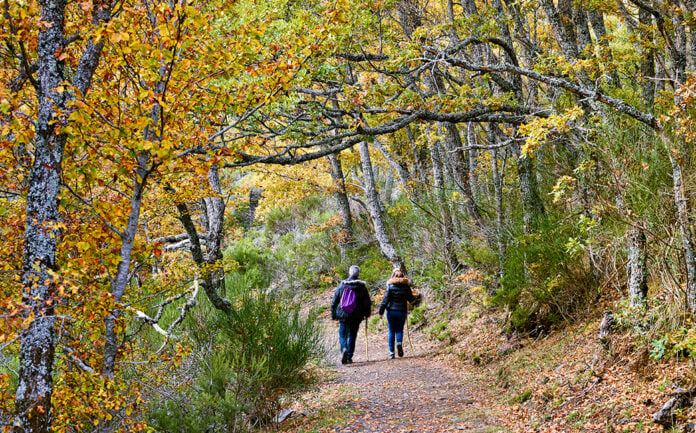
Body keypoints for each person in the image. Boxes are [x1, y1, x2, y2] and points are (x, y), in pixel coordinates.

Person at [331, 265, 372, 364]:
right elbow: (367, 302)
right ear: (358, 275)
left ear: (349, 274)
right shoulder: (362, 287)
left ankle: (344, 348)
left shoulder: (342, 285)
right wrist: (367, 314)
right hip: (356, 316)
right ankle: (349, 357)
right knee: (352, 336)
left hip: (343, 314)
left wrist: (334, 315)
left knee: (342, 335)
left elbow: (334, 301)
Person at [378, 268, 415, 359]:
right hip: (402, 311)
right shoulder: (406, 287)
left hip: (391, 311)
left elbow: (385, 300)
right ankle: (399, 343)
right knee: (399, 330)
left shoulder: (390, 287)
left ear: (393, 276)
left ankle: (391, 352)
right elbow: (411, 299)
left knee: (391, 331)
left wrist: (381, 311)